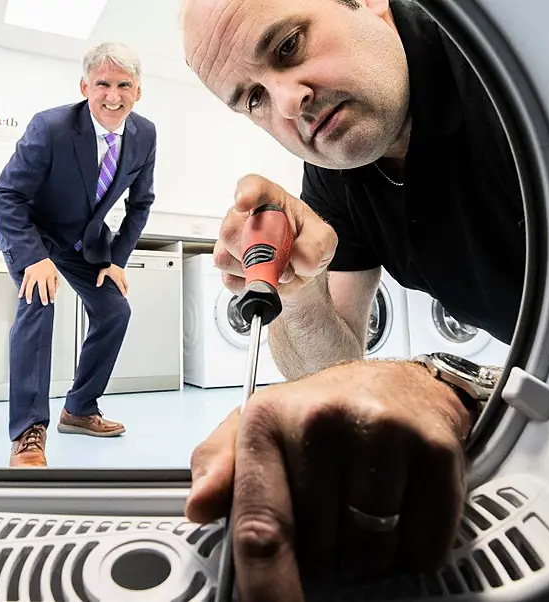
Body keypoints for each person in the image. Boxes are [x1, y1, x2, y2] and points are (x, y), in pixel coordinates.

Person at [179, 0, 526, 597]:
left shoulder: (507, 79)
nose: (288, 105)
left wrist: (449, 382)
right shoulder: (339, 175)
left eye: (288, 46)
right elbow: (339, 373)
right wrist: (299, 284)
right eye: (254, 99)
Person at [0, 42, 157, 468]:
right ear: (85, 85)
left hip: (85, 243)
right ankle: (29, 432)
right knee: (38, 301)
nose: (113, 95)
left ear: (138, 90)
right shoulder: (51, 126)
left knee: (115, 311)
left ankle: (79, 408)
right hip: (34, 233)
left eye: (124, 85)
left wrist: (117, 260)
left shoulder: (145, 134)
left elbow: (141, 203)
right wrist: (32, 258)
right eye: (103, 84)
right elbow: (6, 194)